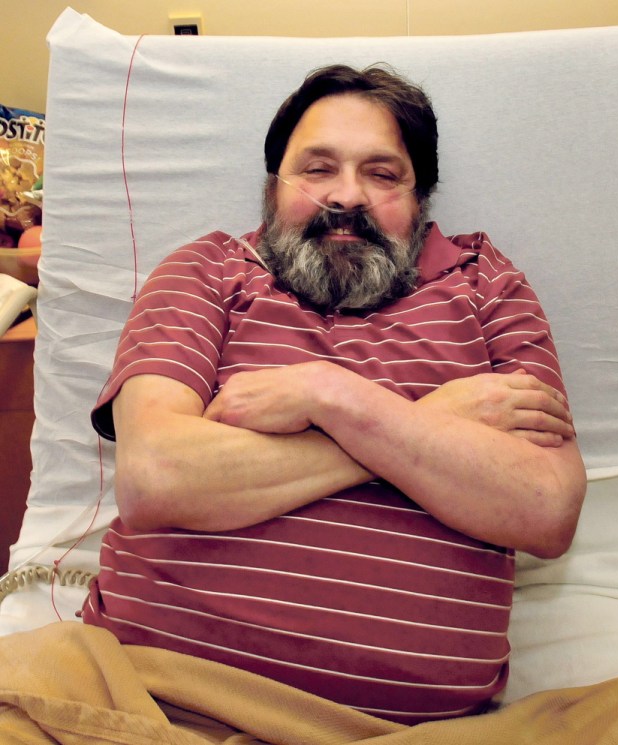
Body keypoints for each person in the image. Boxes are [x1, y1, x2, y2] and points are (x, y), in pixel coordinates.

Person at [79, 64, 587, 725]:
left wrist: (333, 398)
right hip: (154, 701)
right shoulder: (207, 272)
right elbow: (156, 475)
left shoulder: (487, 287)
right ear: (273, 185)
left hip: (414, 733)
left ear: (421, 197)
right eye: (317, 169)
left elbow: (547, 508)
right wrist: (420, 424)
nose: (347, 196)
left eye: (382, 174)